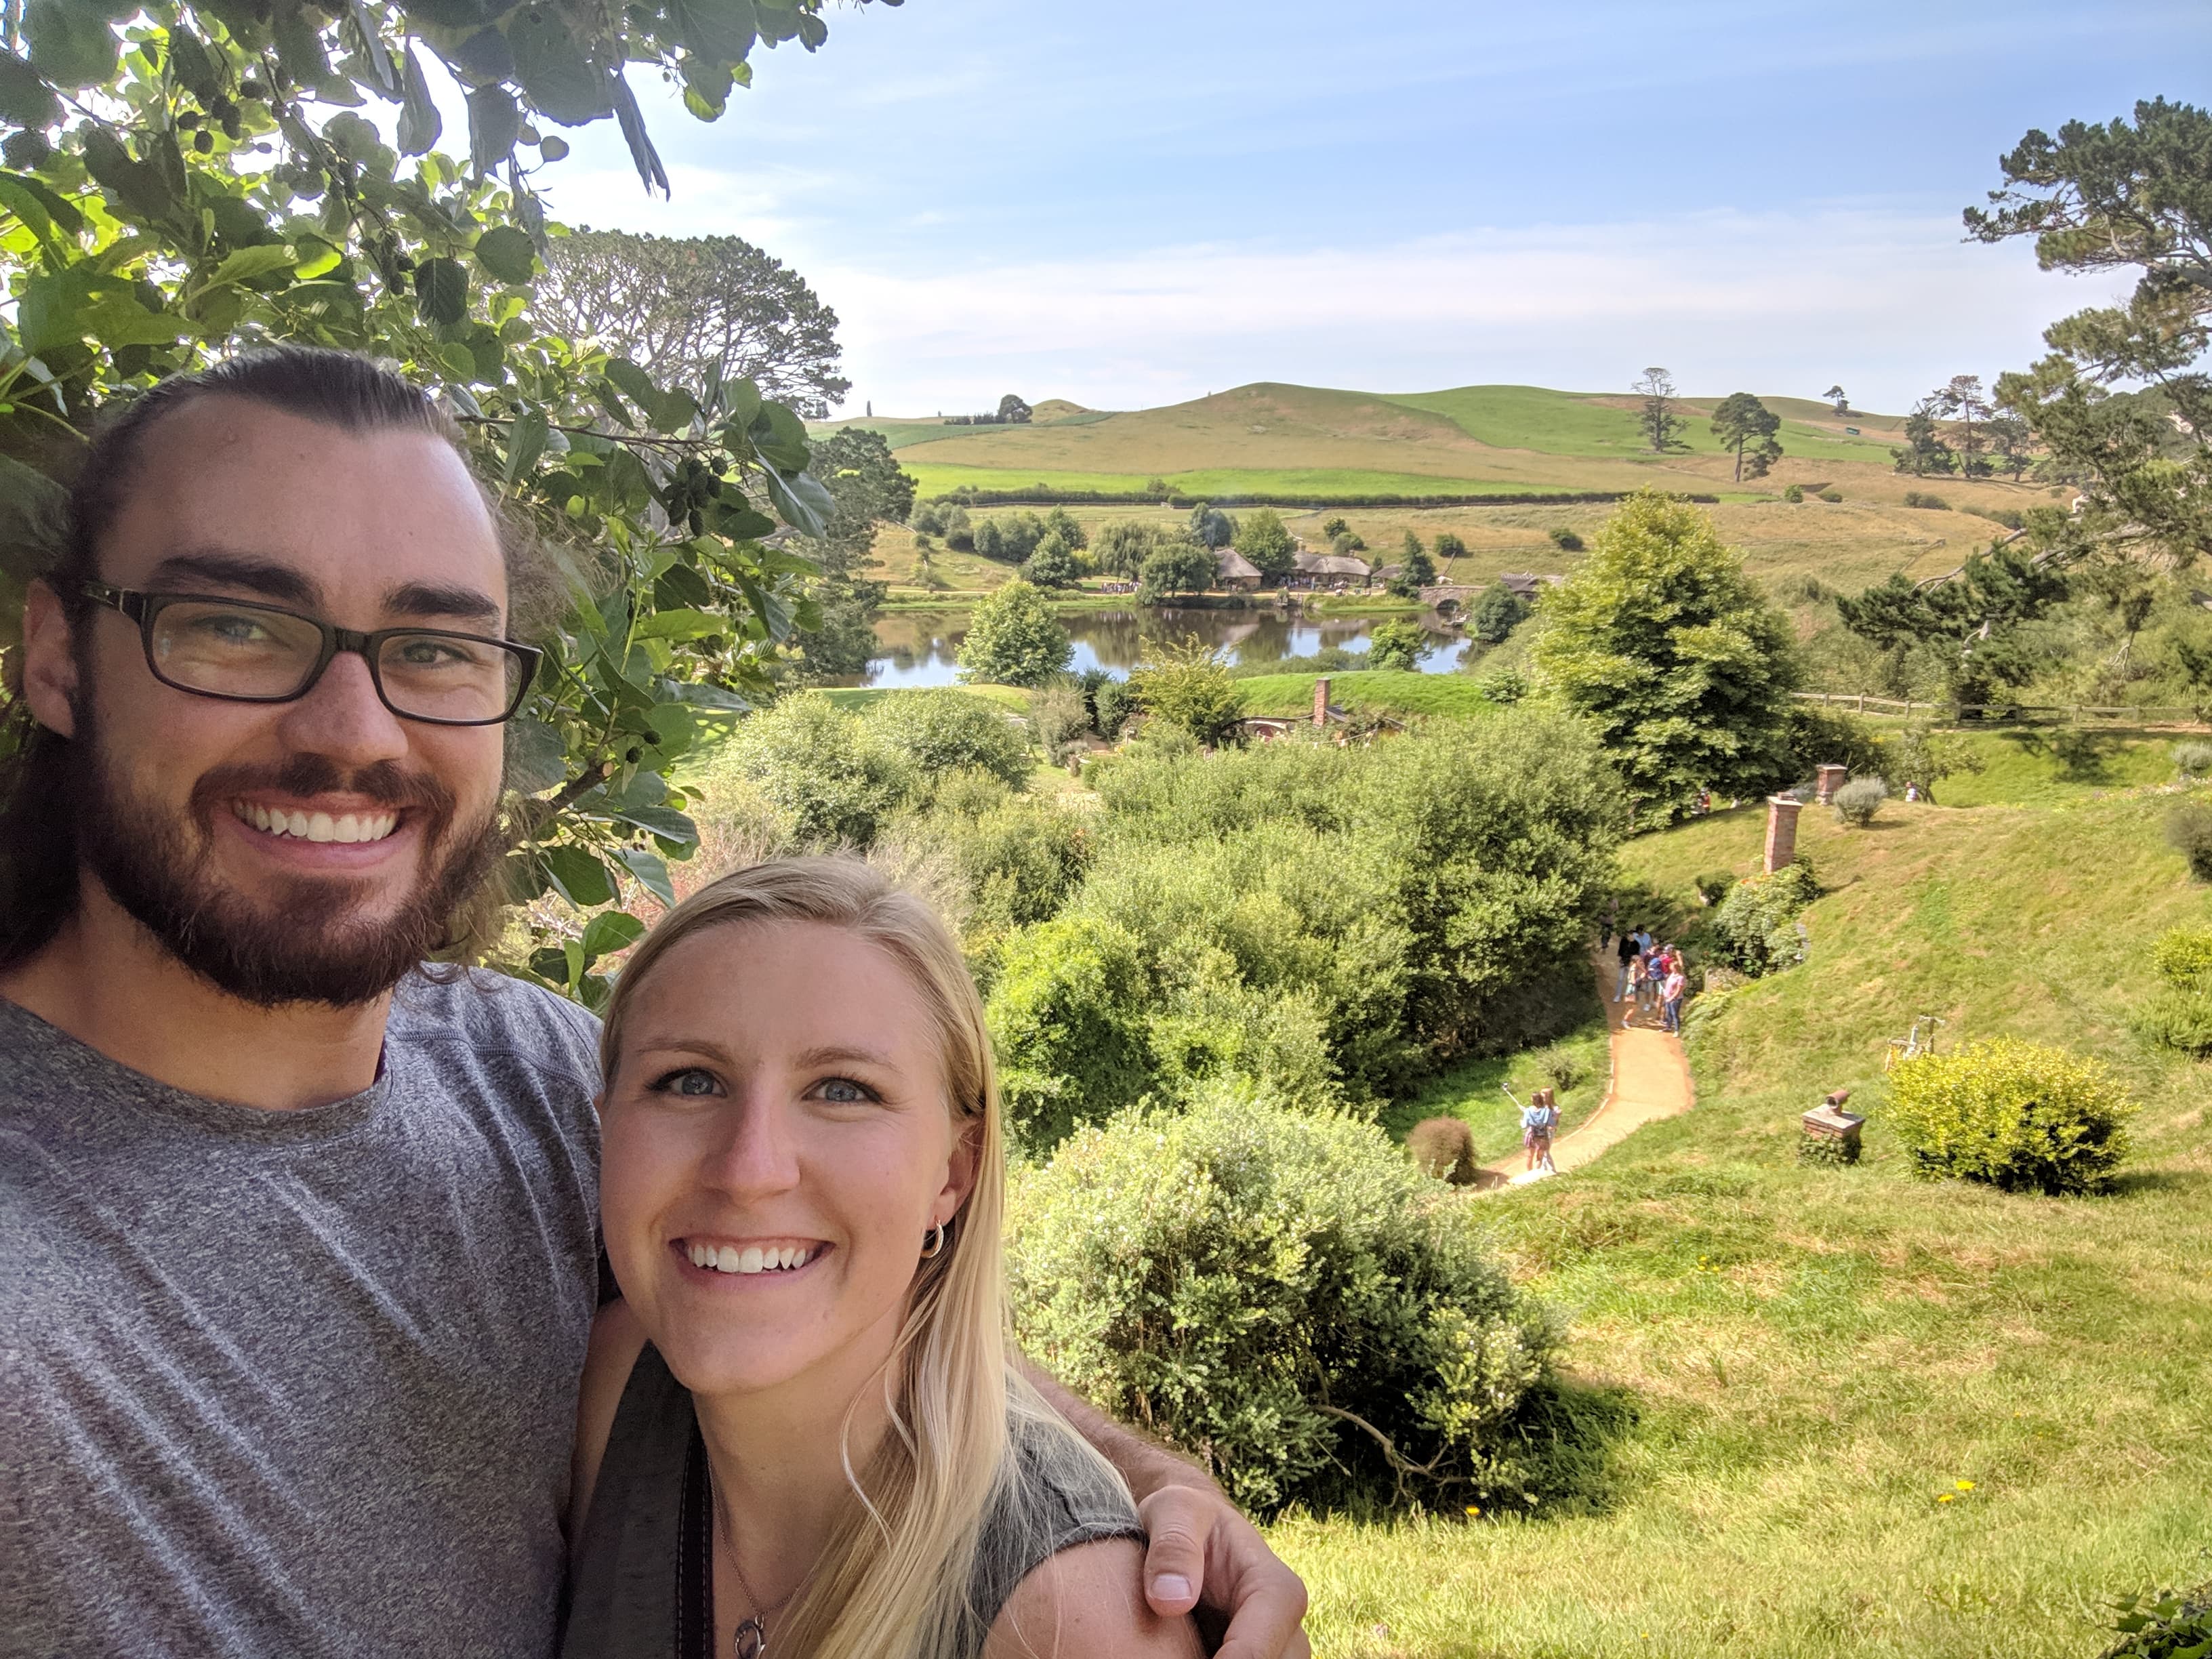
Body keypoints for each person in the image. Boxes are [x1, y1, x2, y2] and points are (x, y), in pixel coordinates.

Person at [0, 348, 1306, 1658]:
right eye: (235, 624)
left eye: (436, 649)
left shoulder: (528, 1071)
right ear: (57, 658)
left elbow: (827, 1285)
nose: (354, 728)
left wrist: (1129, 1484)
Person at [566, 859, 1199, 1658]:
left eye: (842, 1090)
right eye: (689, 1081)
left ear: (953, 1175)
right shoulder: (617, 1388)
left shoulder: (1069, 1618)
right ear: (605, 1129)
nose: (749, 1170)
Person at [1661, 957, 1688, 1035]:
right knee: (1668, 1013)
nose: (1670, 967)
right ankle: (1668, 1027)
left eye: (1671, 966)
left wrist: (1672, 998)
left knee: (1675, 1014)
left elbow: (1679, 990)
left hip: (1675, 999)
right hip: (1668, 997)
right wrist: (1666, 995)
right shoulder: (1672, 974)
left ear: (1675, 968)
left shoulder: (1680, 978)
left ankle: (1677, 1030)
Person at [1615, 926, 1639, 1002]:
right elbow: (1621, 951)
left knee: (1630, 980)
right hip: (1623, 962)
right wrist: (1622, 959)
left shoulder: (1637, 944)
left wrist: (1633, 963)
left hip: (1631, 964)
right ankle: (1618, 996)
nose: (1630, 935)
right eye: (1629, 933)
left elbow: (1637, 955)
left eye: (1632, 933)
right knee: (1620, 979)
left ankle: (1630, 996)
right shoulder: (1623, 941)